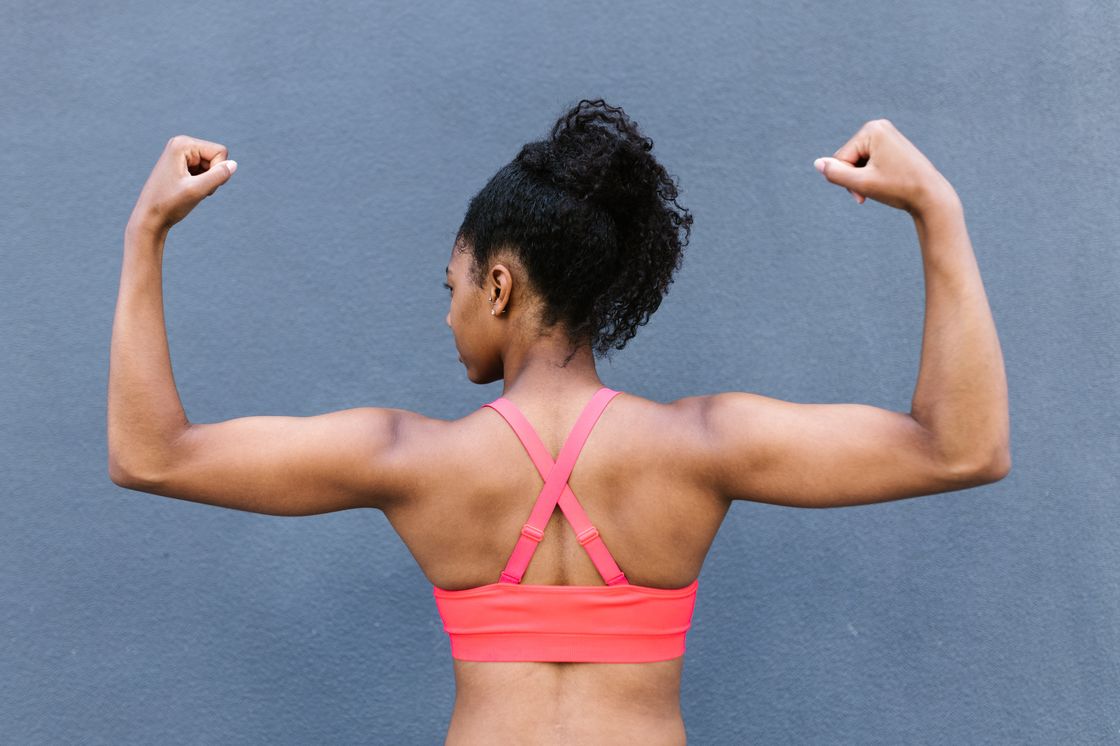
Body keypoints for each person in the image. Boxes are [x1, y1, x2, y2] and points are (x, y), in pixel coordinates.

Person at [107, 98, 1010, 745]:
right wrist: (939, 211)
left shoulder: (409, 461)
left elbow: (151, 456)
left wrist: (145, 232)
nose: (447, 312)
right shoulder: (701, 448)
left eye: (451, 287)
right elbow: (960, 448)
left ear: (498, 284)